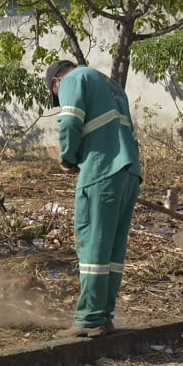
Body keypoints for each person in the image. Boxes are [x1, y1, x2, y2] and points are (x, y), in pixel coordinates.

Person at [44, 60, 142, 338]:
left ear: (55, 83)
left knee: (92, 246)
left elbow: (70, 122)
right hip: (129, 171)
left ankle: (89, 319)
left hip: (102, 170)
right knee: (112, 249)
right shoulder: (112, 86)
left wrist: (67, 157)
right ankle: (103, 316)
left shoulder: (74, 80)